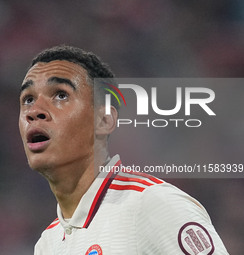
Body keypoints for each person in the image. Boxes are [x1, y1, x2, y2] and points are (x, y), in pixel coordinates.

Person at [18, 45, 229, 254]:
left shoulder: (151, 205)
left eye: (61, 95)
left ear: (103, 120)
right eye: (28, 99)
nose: (34, 111)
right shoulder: (48, 243)